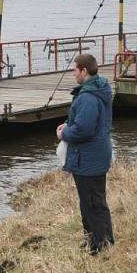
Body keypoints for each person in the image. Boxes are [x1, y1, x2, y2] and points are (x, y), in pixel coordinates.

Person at [56, 54, 114, 255]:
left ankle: (101, 244)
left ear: (84, 71)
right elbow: (85, 123)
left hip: (89, 157)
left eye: (75, 70)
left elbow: (84, 130)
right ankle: (93, 239)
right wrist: (69, 124)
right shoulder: (95, 90)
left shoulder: (88, 97)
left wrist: (64, 133)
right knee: (89, 201)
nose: (73, 74)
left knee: (93, 202)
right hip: (93, 155)